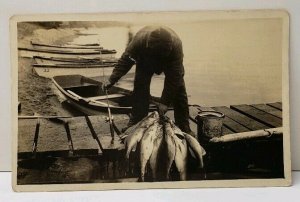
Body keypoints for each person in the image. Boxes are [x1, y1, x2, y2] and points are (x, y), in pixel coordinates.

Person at [104, 26, 193, 135]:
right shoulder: (138, 42)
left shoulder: (176, 46)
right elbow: (125, 61)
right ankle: (136, 123)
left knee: (179, 89)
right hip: (145, 60)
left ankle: (184, 126)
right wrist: (112, 79)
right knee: (140, 89)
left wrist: (164, 102)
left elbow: (174, 78)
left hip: (170, 61)